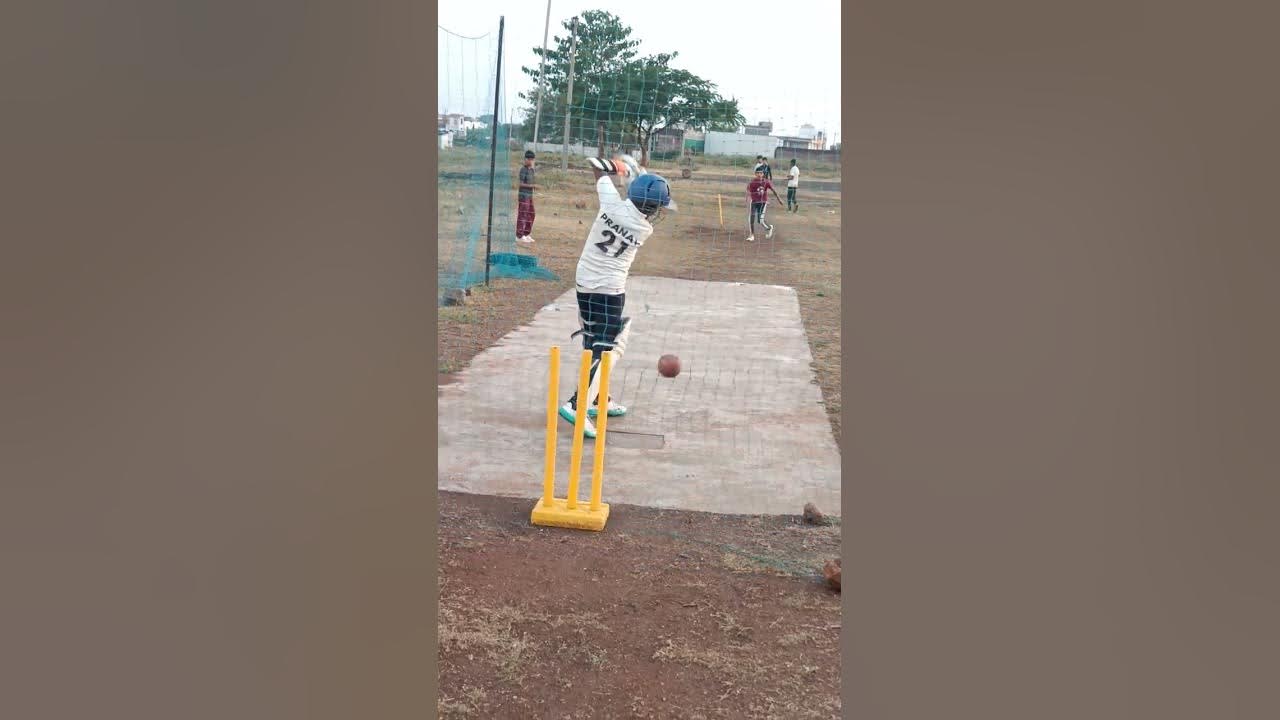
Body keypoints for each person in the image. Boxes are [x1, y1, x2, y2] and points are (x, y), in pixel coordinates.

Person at [558, 156, 677, 438]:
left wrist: (616, 167)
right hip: (609, 291)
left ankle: (598, 397)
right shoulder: (644, 228)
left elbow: (594, 165)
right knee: (612, 345)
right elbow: (639, 204)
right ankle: (578, 404)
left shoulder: (611, 202)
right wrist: (633, 174)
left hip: (584, 282)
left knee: (592, 340)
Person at [746, 166, 784, 242]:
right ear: (755, 174)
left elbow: (773, 190)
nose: (759, 174)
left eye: (761, 173)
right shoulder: (752, 182)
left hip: (763, 202)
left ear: (763, 174)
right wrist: (747, 198)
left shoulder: (766, 182)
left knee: (760, 221)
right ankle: (752, 235)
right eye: (758, 173)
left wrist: (779, 199)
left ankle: (769, 227)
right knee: (751, 218)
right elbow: (748, 189)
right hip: (754, 202)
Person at [516, 150, 537, 244]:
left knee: (531, 214)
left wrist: (534, 188)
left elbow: (531, 182)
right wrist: (532, 186)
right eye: (530, 160)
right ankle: (519, 235)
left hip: (530, 196)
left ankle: (526, 234)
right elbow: (521, 184)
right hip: (523, 195)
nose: (531, 162)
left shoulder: (532, 170)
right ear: (526, 159)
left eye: (532, 160)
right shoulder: (523, 170)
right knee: (523, 215)